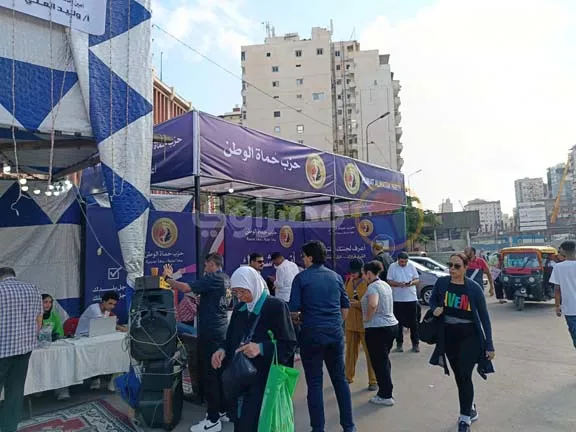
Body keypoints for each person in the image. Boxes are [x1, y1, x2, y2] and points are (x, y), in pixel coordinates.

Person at [211, 266, 296, 431]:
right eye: (236, 293)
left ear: (253, 285)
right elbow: (230, 339)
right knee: (240, 422)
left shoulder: (275, 307)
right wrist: (221, 350)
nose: (240, 297)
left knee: (258, 423)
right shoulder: (240, 310)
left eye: (243, 291)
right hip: (239, 379)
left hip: (264, 382)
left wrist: (261, 348)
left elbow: (289, 344)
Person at [289, 241, 355, 432]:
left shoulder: (301, 278)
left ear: (310, 257)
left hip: (312, 335)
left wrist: (301, 319)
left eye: (303, 256)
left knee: (315, 384)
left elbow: (293, 311)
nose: (302, 259)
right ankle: (349, 426)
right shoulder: (335, 277)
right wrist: (335, 324)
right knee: (340, 380)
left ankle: (318, 428)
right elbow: (345, 307)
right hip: (335, 334)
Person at [429, 253, 495, 432]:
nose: (452, 269)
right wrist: (434, 309)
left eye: (457, 266)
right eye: (450, 265)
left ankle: (464, 417)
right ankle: (469, 406)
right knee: (459, 376)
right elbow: (433, 299)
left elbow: (484, 318)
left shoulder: (473, 288)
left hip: (470, 337)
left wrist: (489, 344)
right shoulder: (442, 283)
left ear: (466, 268)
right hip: (449, 336)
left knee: (465, 375)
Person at [164, 253, 230, 432]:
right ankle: (222, 410)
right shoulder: (225, 278)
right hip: (220, 330)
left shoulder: (213, 278)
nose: (205, 268)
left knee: (210, 374)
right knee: (219, 373)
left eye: (206, 265)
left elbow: (186, 287)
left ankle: (213, 419)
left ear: (212, 264)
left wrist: (168, 278)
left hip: (211, 333)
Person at [0, 267, 42, 432]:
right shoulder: (33, 289)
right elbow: (39, 321)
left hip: (2, 351)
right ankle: (8, 428)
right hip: (24, 349)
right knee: (15, 392)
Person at [361, 261, 399, 406]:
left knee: (379, 362)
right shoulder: (385, 285)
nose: (363, 277)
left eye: (363, 274)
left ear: (368, 274)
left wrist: (367, 318)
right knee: (384, 360)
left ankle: (385, 394)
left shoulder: (373, 287)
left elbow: (373, 304)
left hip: (378, 328)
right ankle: (386, 389)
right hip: (391, 325)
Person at [343, 259, 377, 391]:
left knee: (370, 353)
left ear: (362, 271)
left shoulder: (369, 284)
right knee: (350, 352)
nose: (353, 274)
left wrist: (358, 305)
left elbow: (373, 304)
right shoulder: (348, 281)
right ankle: (348, 376)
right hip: (350, 322)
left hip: (365, 323)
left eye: (355, 272)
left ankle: (373, 380)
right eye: (351, 272)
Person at [386, 252, 421, 353]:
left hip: (411, 298)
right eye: (401, 262)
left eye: (405, 262)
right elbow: (389, 281)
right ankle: (399, 344)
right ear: (398, 260)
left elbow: (417, 279)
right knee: (398, 323)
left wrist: (411, 283)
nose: (403, 263)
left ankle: (415, 344)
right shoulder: (392, 267)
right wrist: (398, 284)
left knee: (414, 322)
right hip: (397, 299)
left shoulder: (411, 266)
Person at [550, 241, 576, 350]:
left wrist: (557, 306)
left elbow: (557, 289)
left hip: (570, 309)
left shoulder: (558, 267)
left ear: (563, 251)